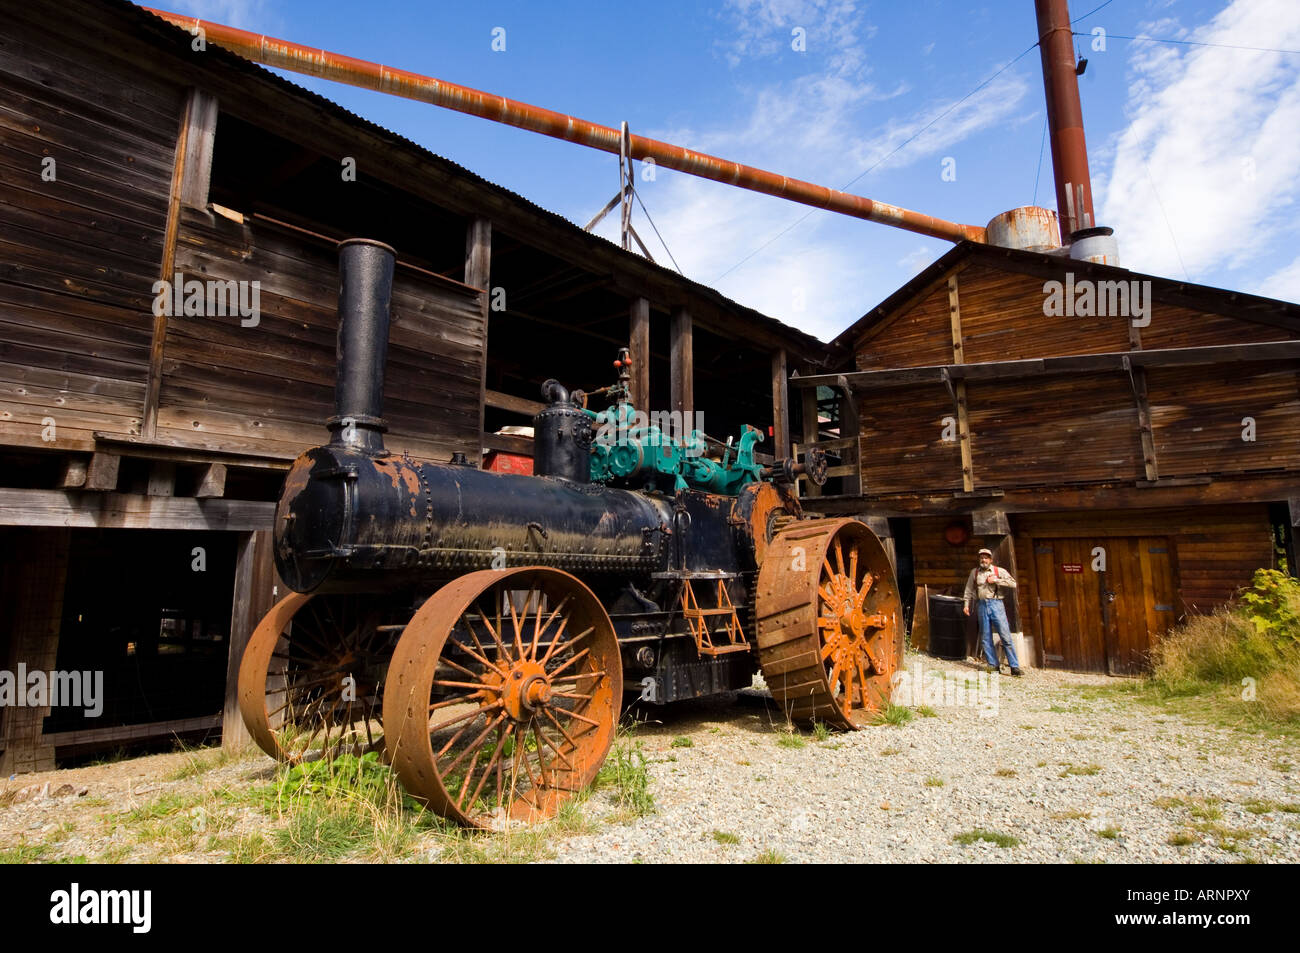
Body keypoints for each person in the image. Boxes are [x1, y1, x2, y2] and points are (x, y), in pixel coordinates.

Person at [963, 547, 1022, 676]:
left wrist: (996, 580)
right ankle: (993, 665)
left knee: (1005, 635)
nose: (983, 560)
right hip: (982, 605)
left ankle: (1014, 667)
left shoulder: (998, 571)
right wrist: (966, 604)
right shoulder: (975, 573)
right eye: (981, 558)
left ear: (990, 559)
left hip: (997, 604)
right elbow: (969, 589)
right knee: (985, 636)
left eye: (986, 558)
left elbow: (1013, 583)